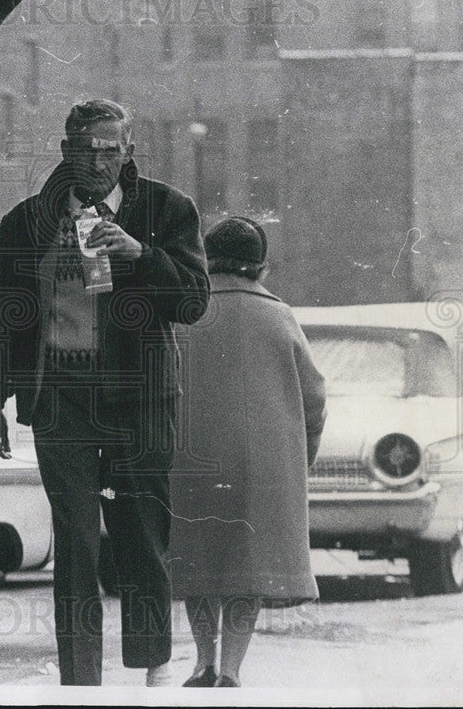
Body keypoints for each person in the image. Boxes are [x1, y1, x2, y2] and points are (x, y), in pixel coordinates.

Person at [0, 99, 209, 686]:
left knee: (141, 534)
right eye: (86, 149)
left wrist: (140, 255)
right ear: (66, 152)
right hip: (62, 395)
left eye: (111, 150)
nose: (98, 161)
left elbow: (193, 301)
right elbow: (12, 317)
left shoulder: (166, 210)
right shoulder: (26, 222)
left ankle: (156, 672)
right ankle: (80, 684)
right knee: (76, 541)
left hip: (142, 398)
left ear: (129, 153)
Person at [169, 216, 327, 688]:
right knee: (246, 569)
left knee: (197, 563)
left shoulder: (184, 311)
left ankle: (202, 662)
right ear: (260, 264)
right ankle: (232, 670)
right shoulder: (279, 316)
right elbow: (314, 397)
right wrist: (301, 457)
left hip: (190, 461)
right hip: (262, 466)